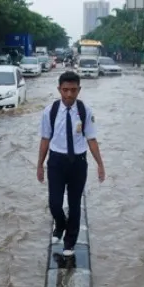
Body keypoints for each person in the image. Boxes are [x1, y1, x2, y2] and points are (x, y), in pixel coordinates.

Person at [36, 71, 106, 257]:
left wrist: (100, 164)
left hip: (78, 163)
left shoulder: (85, 111)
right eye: (65, 90)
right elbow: (44, 139)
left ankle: (70, 241)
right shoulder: (49, 111)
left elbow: (91, 139)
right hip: (56, 163)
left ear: (79, 90)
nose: (69, 95)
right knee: (55, 203)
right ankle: (60, 224)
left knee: (75, 204)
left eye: (73, 90)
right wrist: (39, 165)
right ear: (59, 89)